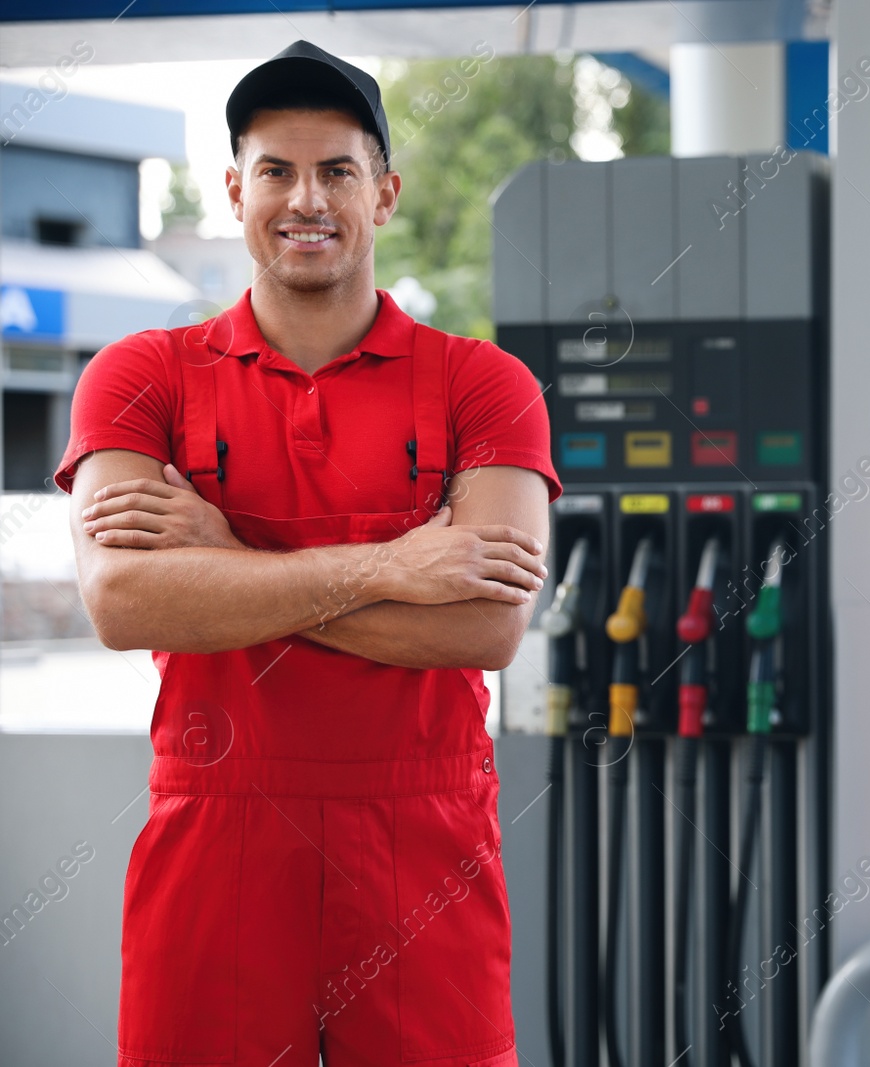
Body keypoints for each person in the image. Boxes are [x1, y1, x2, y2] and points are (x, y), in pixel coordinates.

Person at [54, 40, 558, 1067]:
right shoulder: (141, 377)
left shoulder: (484, 387)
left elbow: (486, 625)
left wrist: (224, 558)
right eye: (276, 170)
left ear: (386, 193)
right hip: (216, 830)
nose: (306, 198)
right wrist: (387, 567)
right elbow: (128, 606)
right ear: (235, 191)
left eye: (337, 169)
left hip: (423, 836)